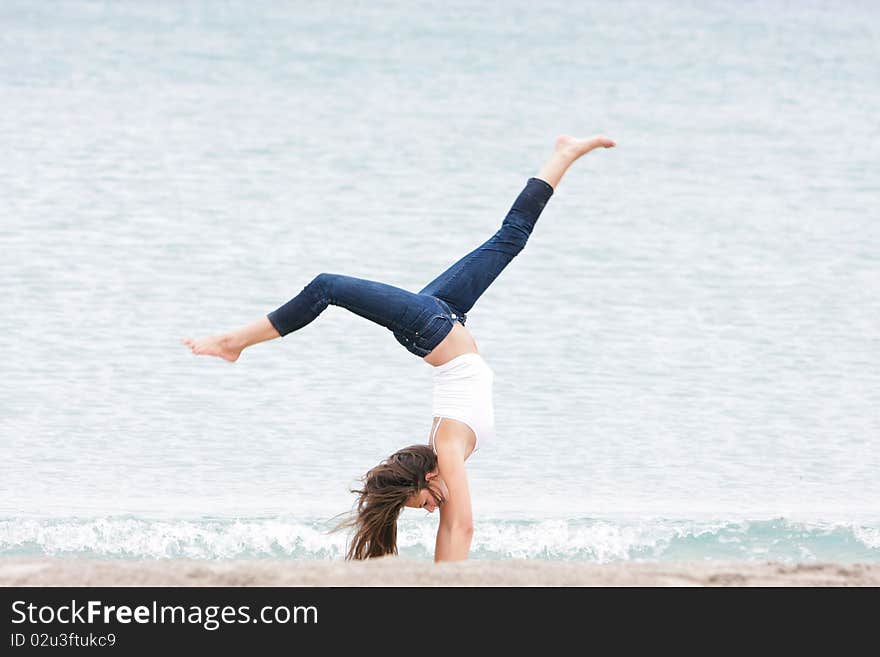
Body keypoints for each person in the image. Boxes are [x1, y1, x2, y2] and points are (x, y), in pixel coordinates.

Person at [182, 134, 616, 561]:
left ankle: (231, 342)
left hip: (432, 328)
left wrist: (443, 580)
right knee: (511, 237)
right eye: (426, 509)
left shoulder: (446, 450)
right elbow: (454, 522)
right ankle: (564, 153)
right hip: (445, 321)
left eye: (423, 503)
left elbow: (461, 526)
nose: (432, 509)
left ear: (428, 477)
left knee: (326, 286)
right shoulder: (446, 450)